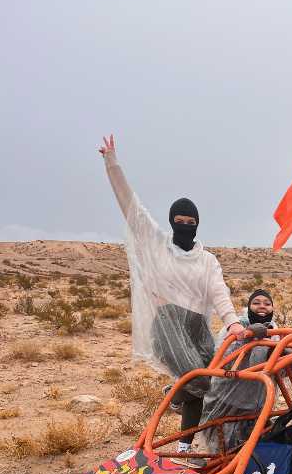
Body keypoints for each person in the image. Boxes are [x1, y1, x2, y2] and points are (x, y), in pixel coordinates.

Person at [98, 134, 244, 453]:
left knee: (211, 383)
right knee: (197, 380)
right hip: (167, 324)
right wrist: (112, 163)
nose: (185, 225)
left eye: (191, 222)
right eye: (179, 221)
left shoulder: (207, 260)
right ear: (171, 222)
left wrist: (233, 322)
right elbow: (131, 207)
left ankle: (185, 444)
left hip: (197, 328)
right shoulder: (157, 245)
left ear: (198, 224)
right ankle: (175, 398)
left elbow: (219, 291)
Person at [201, 289, 279, 454]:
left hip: (257, 402)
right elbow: (225, 361)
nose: (262, 306)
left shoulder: (274, 331)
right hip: (228, 400)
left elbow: (284, 371)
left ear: (272, 308)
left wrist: (283, 354)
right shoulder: (234, 328)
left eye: (267, 303)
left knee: (253, 450)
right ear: (249, 307)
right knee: (223, 450)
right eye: (256, 303)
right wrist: (248, 336)